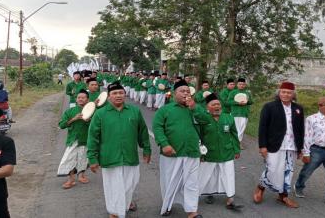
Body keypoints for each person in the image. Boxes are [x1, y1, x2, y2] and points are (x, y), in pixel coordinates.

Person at [87, 81, 151, 218]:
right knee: (113, 187)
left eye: (121, 93)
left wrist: (146, 149)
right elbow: (93, 137)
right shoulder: (100, 114)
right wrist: (92, 158)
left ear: (125, 94)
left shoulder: (134, 111)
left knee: (130, 184)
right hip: (110, 157)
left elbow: (143, 132)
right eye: (114, 93)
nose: (118, 95)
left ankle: (124, 206)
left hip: (130, 156)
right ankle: (115, 212)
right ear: (109, 96)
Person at [153, 79, 203, 218]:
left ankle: (192, 211)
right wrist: (164, 144)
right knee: (169, 181)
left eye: (188, 91)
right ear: (175, 93)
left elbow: (206, 121)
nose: (186, 93)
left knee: (192, 183)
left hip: (192, 151)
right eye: (182, 91)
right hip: (172, 152)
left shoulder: (195, 108)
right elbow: (157, 127)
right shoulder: (165, 110)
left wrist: (195, 108)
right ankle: (167, 205)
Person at [253, 82, 304, 208]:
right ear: (279, 93)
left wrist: (300, 147)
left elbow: (301, 129)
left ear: (293, 94)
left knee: (288, 171)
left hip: (291, 145)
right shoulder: (269, 107)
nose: (286, 94)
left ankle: (283, 196)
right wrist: (262, 146)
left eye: (289, 92)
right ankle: (260, 188)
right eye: (283, 92)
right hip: (274, 144)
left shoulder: (298, 108)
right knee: (272, 169)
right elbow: (263, 127)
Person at [194, 93, 242, 210]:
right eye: (213, 104)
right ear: (207, 107)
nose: (217, 106)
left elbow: (234, 135)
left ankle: (230, 199)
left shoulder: (228, 117)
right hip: (208, 153)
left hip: (227, 152)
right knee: (205, 176)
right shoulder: (203, 119)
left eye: (218, 104)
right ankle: (197, 197)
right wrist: (200, 152)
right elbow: (198, 136)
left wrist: (236, 149)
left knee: (229, 175)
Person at [57, 90, 91, 189]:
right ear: (76, 99)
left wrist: (88, 121)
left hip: (86, 139)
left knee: (83, 158)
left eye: (83, 97)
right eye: (79, 97)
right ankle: (70, 180)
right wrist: (74, 119)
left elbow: (97, 127)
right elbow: (61, 125)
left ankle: (81, 176)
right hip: (73, 139)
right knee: (69, 158)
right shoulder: (70, 111)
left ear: (87, 100)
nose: (80, 99)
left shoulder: (92, 111)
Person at [227, 78, 253, 143]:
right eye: (240, 84)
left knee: (242, 129)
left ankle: (238, 142)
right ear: (237, 85)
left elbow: (251, 102)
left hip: (244, 114)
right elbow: (228, 102)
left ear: (245, 85)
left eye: (243, 84)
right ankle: (235, 142)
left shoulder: (247, 93)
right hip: (235, 113)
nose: (241, 85)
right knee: (234, 129)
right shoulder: (233, 92)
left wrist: (247, 101)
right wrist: (237, 103)